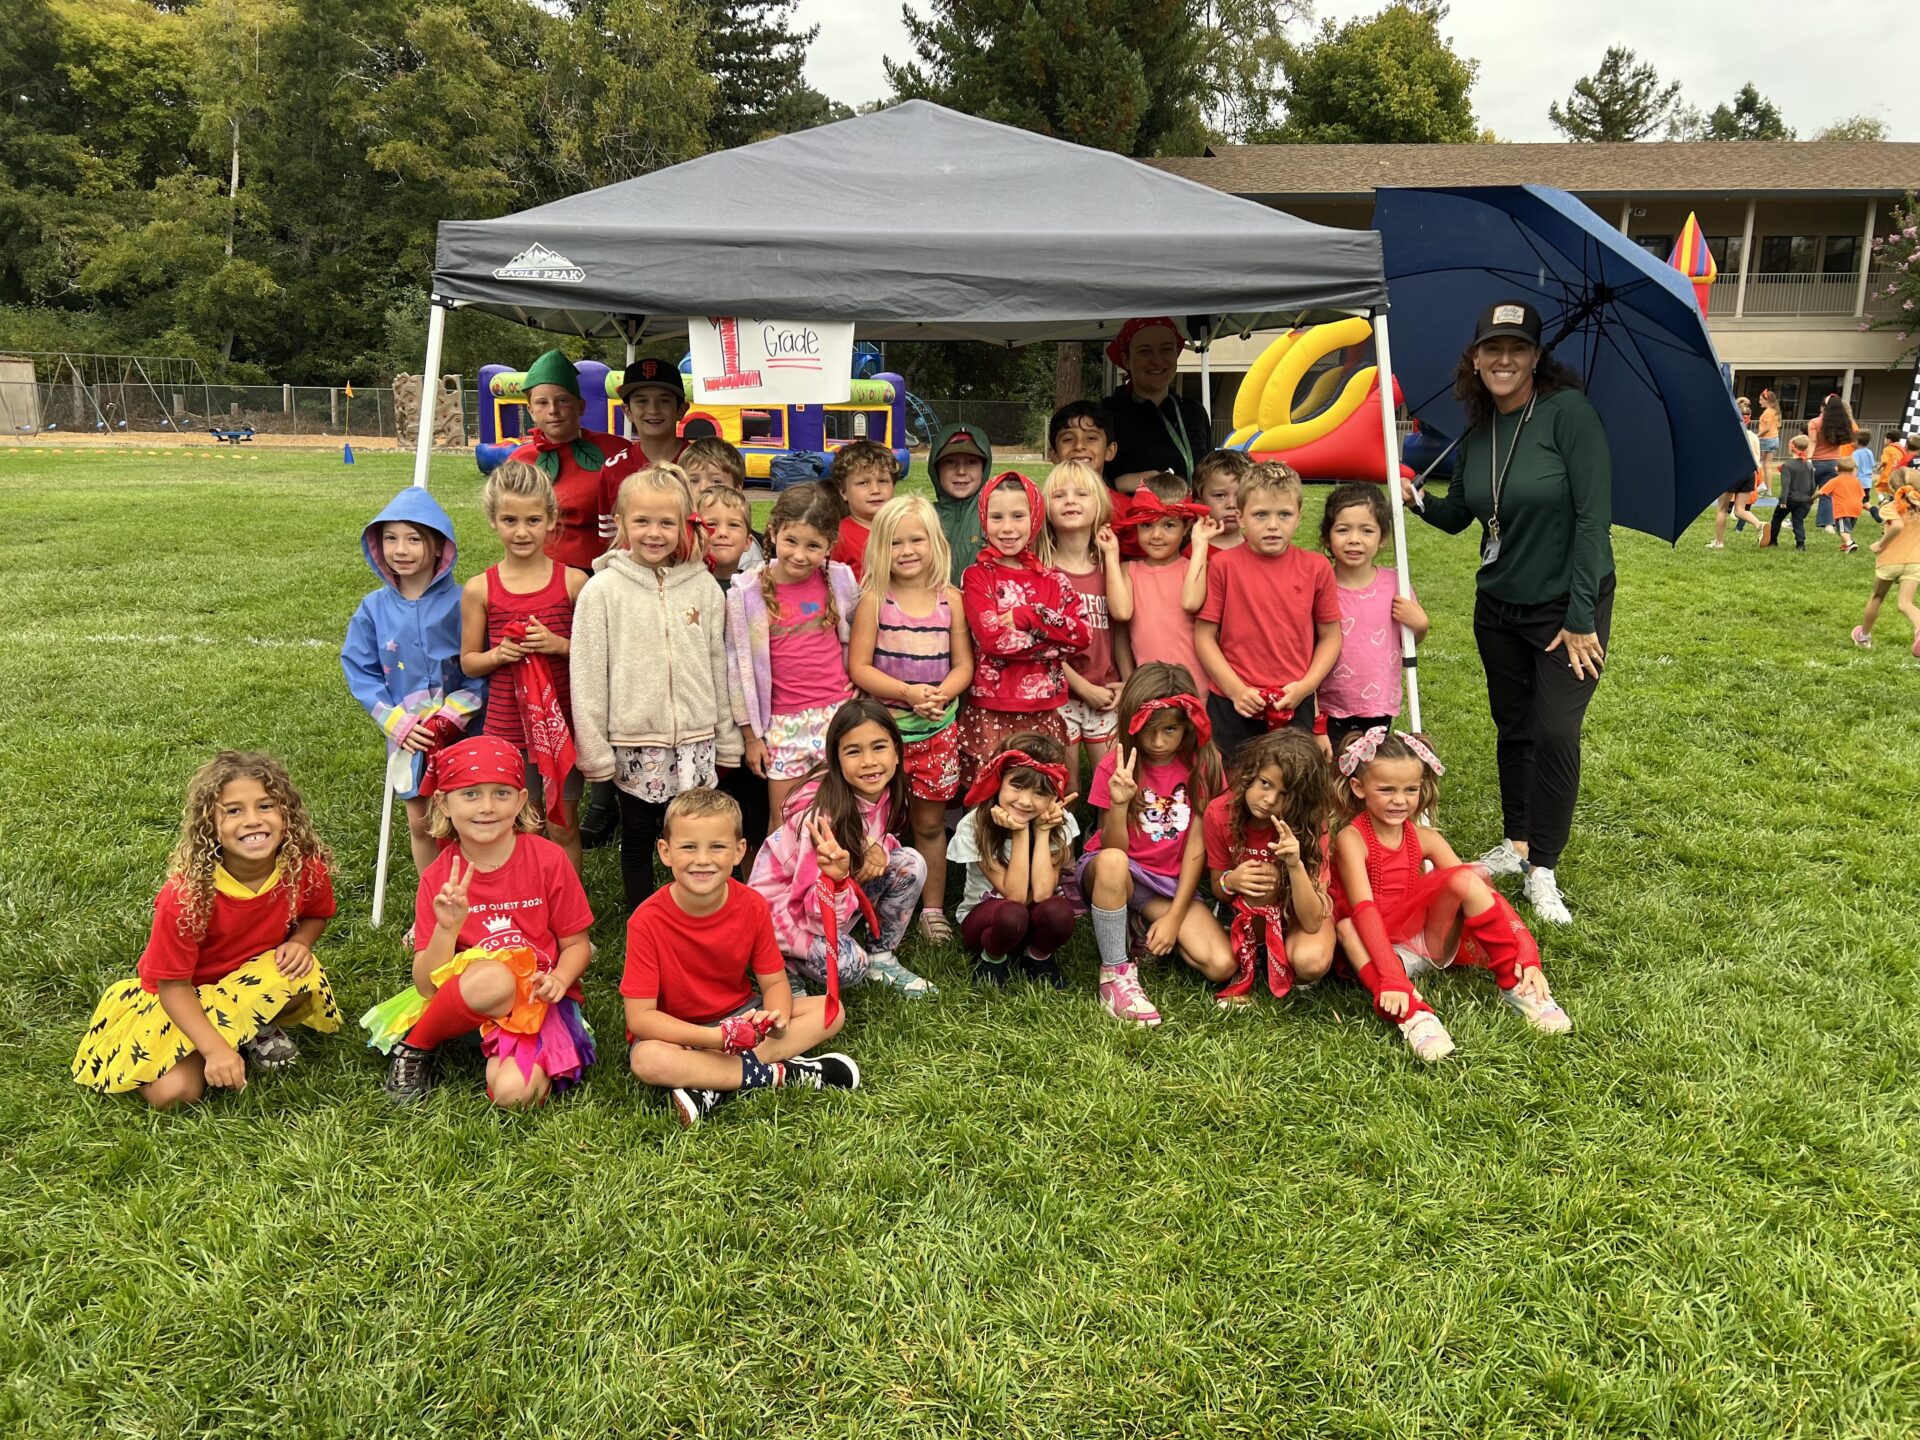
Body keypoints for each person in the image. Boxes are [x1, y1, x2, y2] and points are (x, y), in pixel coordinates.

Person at [1400, 300, 1614, 926]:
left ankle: (1543, 866)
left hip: (1566, 608)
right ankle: (1517, 842)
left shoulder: (1569, 414)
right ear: (1474, 358)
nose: (1503, 359)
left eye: (1517, 348)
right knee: (1514, 727)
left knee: (1555, 731)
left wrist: (1580, 615)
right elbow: (1462, 515)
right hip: (1498, 605)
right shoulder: (1478, 430)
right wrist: (1417, 501)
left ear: (1536, 357)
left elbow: (1592, 520)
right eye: (1492, 347)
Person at [73, 752, 340, 1107]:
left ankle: (253, 1029)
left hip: (250, 982)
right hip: (184, 997)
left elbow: (316, 915)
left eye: (266, 806)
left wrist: (302, 942)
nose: (252, 820)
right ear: (209, 825)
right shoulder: (186, 897)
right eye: (233, 811)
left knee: (298, 976)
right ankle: (220, 1041)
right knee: (174, 1094)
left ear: (287, 814)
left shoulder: (304, 868)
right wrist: (215, 1051)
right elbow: (172, 987)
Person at [364, 737, 595, 1107]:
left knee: (516, 1094)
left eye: (501, 794)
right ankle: (418, 1045)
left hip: (535, 1003)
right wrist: (447, 929)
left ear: (521, 800)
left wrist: (560, 979)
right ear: (443, 803)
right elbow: (426, 985)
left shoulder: (549, 860)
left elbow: (577, 945)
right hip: (470, 1003)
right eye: (470, 794)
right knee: (494, 978)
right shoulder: (438, 877)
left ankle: (500, 1048)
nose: (487, 807)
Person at [623, 788, 860, 1128]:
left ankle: (709, 1081)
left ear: (739, 851)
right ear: (665, 852)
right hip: (678, 1032)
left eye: (717, 847)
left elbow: (774, 982)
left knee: (830, 1010)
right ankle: (784, 1074)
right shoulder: (646, 921)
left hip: (742, 1015)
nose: (702, 859)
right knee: (647, 1060)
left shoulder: (751, 904)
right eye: (688, 847)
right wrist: (716, 1040)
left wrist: (775, 1017)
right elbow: (640, 1019)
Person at [1332, 729, 1572, 1047]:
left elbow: (1485, 893)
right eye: (1386, 789)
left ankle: (1514, 983)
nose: (1400, 800)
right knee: (1347, 927)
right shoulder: (1351, 838)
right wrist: (1392, 976)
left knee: (1465, 878)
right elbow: (1364, 910)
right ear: (1358, 787)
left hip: (1427, 943)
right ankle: (1412, 1013)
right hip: (1378, 951)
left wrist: (1527, 950)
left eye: (1410, 789)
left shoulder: (1426, 838)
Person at [570, 463, 738, 912]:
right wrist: (594, 750)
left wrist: (727, 737)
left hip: (697, 741)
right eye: (642, 521)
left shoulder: (703, 587)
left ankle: (707, 915)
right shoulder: (602, 591)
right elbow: (587, 673)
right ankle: (645, 923)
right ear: (621, 522)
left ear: (683, 524)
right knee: (640, 836)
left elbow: (719, 664)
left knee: (699, 835)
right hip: (635, 742)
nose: (654, 533)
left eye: (666, 522)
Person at [847, 495, 973, 945]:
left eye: (916, 540)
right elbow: (859, 667)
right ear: (880, 548)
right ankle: (867, 904)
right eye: (895, 542)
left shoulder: (950, 600)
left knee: (930, 824)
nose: (906, 551)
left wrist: (942, 694)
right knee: (874, 823)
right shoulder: (875, 601)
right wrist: (907, 693)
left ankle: (932, 910)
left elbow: (963, 664)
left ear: (935, 542)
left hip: (936, 731)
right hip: (884, 736)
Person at [1079, 665, 1233, 1027]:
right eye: (1149, 730)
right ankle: (1115, 973)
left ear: (1188, 726)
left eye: (1170, 729)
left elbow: (1197, 847)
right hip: (1117, 873)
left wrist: (1175, 918)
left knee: (1221, 964)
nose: (1159, 742)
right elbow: (1113, 848)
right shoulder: (1114, 767)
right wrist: (1119, 804)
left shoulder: (1204, 764)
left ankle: (1139, 924)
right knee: (1113, 861)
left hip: (1168, 885)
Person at [749, 698, 935, 997]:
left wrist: (879, 848)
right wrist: (837, 883)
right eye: (853, 751)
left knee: (909, 862)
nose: (869, 761)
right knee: (850, 965)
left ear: (897, 753)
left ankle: (881, 959)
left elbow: (874, 837)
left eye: (879, 747)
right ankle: (781, 964)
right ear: (835, 760)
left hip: (832, 898)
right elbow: (811, 913)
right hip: (782, 919)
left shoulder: (884, 792)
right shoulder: (820, 821)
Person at [342, 486, 482, 873]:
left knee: (468, 820)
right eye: (390, 538)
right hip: (409, 737)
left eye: (413, 539)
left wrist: (454, 715)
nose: (400, 549)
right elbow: (360, 669)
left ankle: (475, 897)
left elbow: (481, 667)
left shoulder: (465, 602)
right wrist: (396, 722)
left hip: (464, 734)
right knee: (421, 824)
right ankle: (431, 900)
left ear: (438, 547)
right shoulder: (373, 609)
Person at [460, 460, 588, 873]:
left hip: (561, 727)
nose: (521, 532)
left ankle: (568, 904)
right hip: (508, 729)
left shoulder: (573, 583)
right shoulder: (480, 588)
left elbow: (595, 656)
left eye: (533, 520)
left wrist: (558, 645)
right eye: (509, 520)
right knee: (522, 826)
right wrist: (499, 654)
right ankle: (527, 899)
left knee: (562, 825)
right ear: (493, 521)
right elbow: (469, 662)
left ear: (551, 520)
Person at [727, 483, 861, 823]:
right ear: (773, 531)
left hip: (838, 715)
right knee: (784, 818)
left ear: (829, 544)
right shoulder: (748, 592)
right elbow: (737, 669)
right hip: (783, 722)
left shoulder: (839, 581)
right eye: (791, 541)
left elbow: (859, 637)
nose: (800, 555)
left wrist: (860, 685)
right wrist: (751, 736)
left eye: (813, 545)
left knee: (842, 813)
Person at [1194, 461, 1342, 762]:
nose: (1273, 525)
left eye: (1284, 514)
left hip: (1293, 699)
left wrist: (1305, 688)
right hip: (1234, 702)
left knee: (1290, 780)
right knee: (1233, 782)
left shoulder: (1317, 567)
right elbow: (1204, 637)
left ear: (1298, 517)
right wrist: (1235, 690)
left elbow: (1331, 637)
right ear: (1241, 516)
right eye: (1261, 514)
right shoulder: (1223, 565)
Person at [956, 471, 1091, 772]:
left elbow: (1083, 635)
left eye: (1018, 516)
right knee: (990, 791)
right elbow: (993, 641)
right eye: (997, 517)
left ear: (1035, 518)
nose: (1007, 528)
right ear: (984, 519)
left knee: (1040, 788)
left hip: (1044, 708)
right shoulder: (978, 577)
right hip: (992, 708)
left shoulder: (1055, 581)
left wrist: (1029, 616)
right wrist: (1055, 643)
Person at [1202, 729, 1341, 1014]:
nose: (1268, 799)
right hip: (1247, 910)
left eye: (1284, 794)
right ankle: (1256, 955)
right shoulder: (1220, 813)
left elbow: (1312, 921)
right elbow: (1218, 887)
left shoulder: (1312, 825)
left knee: (1310, 962)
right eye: (1265, 784)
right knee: (1261, 877)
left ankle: (1282, 954)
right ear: (1250, 774)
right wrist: (1232, 880)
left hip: (1298, 914)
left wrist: (1294, 865)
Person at [946, 734, 1079, 988]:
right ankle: (993, 958)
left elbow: (1042, 893)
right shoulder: (976, 825)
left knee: (1060, 913)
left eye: (1040, 793)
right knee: (1011, 914)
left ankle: (1037, 955)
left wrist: (1042, 832)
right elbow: (1015, 897)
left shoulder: (1059, 823)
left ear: (1054, 796)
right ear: (998, 782)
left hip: (1032, 918)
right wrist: (1020, 832)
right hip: (989, 922)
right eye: (1017, 786)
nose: (1025, 801)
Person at [1039, 461, 1132, 794]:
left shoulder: (1108, 566)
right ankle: (1068, 832)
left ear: (1100, 507)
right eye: (1059, 495)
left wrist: (1128, 681)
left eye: (1081, 494)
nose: (1070, 501)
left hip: (1106, 692)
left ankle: (1107, 833)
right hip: (1061, 695)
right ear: (1045, 509)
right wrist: (1082, 687)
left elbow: (1119, 624)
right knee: (1068, 787)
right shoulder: (1043, 571)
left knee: (1111, 785)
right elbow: (1041, 646)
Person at [1318, 483, 1428, 758]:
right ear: (1327, 537)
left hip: (1377, 704)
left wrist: (1420, 625)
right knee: (1330, 770)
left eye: (1366, 530)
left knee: (1368, 771)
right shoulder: (1320, 585)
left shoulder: (1395, 584)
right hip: (1328, 704)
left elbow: (1408, 640)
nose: (1354, 539)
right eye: (1343, 530)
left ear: (1382, 538)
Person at [1116, 474, 1219, 685]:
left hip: (1196, 689)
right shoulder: (1128, 572)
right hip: (1148, 691)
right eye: (1146, 525)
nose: (1156, 535)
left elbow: (1191, 603)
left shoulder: (1199, 570)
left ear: (1187, 527)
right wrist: (1128, 680)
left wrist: (1200, 543)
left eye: (1169, 525)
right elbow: (1120, 631)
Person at [1102, 317, 1211, 496]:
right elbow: (1086, 479)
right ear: (1126, 359)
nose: (1157, 360)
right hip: (1125, 514)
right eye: (1145, 351)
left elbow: (1210, 473)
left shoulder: (1194, 412)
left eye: (1166, 349)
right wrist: (1118, 483)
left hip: (1191, 513)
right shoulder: (1106, 415)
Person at [595, 355, 691, 541]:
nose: (653, 410)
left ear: (681, 410)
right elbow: (610, 540)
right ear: (627, 411)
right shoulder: (613, 469)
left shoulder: (701, 465)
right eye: (641, 401)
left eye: (664, 401)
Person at [1853, 479, 1920, 654]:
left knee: (1877, 597)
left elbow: (1897, 525)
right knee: (1905, 603)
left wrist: (1880, 545)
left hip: (1890, 561)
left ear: (1892, 488)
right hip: (1915, 562)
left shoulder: (1890, 507)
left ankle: (1863, 636)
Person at [684, 436, 766, 568]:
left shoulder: (742, 549)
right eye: (694, 481)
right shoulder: (674, 531)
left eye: (716, 481)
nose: (703, 488)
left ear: (737, 490)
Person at [826, 440, 899, 582]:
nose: (875, 490)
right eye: (863, 483)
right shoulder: (838, 537)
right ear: (843, 492)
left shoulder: (908, 527)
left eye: (883, 481)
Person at [929, 423, 992, 586]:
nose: (961, 471)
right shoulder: (923, 517)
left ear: (984, 469)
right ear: (936, 469)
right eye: (950, 462)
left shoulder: (994, 516)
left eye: (971, 462)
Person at [1808, 393, 1855, 533]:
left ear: (1823, 407)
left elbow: (1813, 441)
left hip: (1815, 461)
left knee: (1807, 492)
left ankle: (1795, 520)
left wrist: (1808, 459)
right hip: (1834, 462)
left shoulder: (1815, 422)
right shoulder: (1842, 423)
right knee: (1827, 494)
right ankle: (1828, 524)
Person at [1191, 450, 1252, 550]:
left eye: (1239, 495)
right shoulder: (1193, 552)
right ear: (1199, 501)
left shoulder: (1259, 548)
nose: (1231, 504)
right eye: (1220, 495)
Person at [1768, 435, 1818, 550]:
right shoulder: (1809, 465)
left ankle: (1773, 541)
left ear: (1791, 448)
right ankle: (1800, 544)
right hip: (1804, 500)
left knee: (1777, 518)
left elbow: (1786, 484)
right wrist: (1811, 499)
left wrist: (1783, 500)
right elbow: (1813, 484)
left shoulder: (1787, 465)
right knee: (1798, 521)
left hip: (1790, 499)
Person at [1820, 458, 1865, 554]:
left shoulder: (1836, 480)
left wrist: (1810, 499)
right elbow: (1862, 495)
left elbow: (1821, 492)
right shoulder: (1856, 481)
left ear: (1836, 468)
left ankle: (1850, 543)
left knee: (1843, 530)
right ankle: (1846, 545)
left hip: (1843, 509)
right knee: (1847, 529)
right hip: (1856, 509)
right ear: (1853, 469)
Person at [1755, 389, 1781, 489]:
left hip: (1766, 440)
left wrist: (1756, 436)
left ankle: (1759, 485)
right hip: (1774, 439)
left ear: (1767, 401)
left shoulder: (1767, 412)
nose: (1759, 402)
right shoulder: (1775, 411)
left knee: (1757, 462)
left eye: (1761, 400)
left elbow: (1767, 428)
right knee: (1768, 465)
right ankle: (1768, 489)